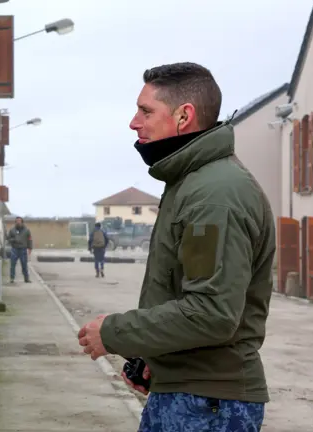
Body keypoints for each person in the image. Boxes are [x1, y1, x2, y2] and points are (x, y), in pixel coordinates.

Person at [77, 62, 275, 431]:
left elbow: (210, 312)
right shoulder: (192, 183)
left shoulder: (214, 195)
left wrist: (114, 333)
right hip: (191, 396)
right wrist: (157, 356)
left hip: (207, 406)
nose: (134, 123)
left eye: (146, 111)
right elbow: (189, 295)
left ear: (184, 116)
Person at [6, 216, 33, 283]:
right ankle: (12, 278)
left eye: (19, 221)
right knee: (12, 264)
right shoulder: (12, 230)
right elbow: (8, 239)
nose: (18, 222)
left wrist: (30, 248)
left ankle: (26, 279)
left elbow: (29, 239)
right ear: (15, 222)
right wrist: (14, 239)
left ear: (22, 222)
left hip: (23, 249)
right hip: (14, 249)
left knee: (24, 265)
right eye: (17, 221)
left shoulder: (26, 230)